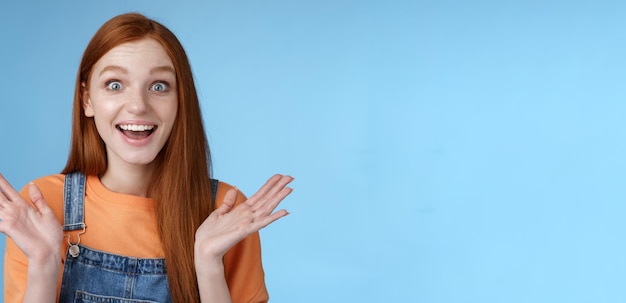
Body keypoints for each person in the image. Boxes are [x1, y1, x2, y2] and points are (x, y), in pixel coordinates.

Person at [0, 12, 293, 303]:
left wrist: (208, 264)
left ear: (181, 100)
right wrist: (43, 264)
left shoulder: (226, 212)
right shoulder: (42, 206)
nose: (138, 106)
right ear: (87, 99)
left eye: (159, 86)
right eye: (115, 84)